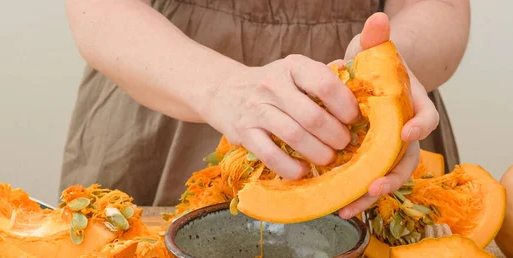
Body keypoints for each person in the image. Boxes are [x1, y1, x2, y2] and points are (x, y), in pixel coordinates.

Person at [60, 0, 470, 220]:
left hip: (357, 116)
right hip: (165, 84)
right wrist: (221, 87)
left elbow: (442, 7)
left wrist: (388, 69)